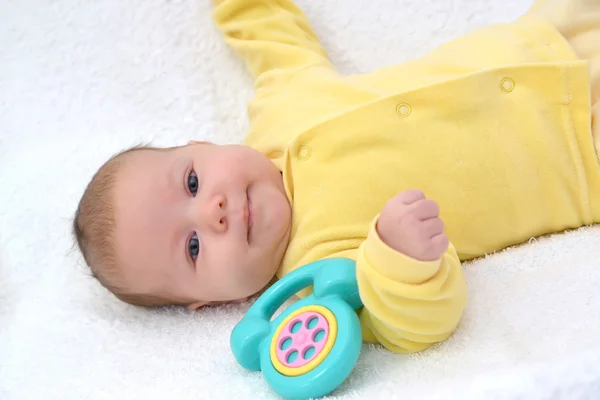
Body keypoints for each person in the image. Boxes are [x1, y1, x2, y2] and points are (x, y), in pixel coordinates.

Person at [73, 0, 600, 353]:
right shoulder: (319, 278)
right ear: (210, 302)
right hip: (581, 159)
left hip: (548, 39)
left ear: (201, 146)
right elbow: (413, 325)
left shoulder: (281, 108)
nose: (211, 211)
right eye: (192, 247)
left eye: (191, 183)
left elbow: (271, 35)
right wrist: (401, 262)